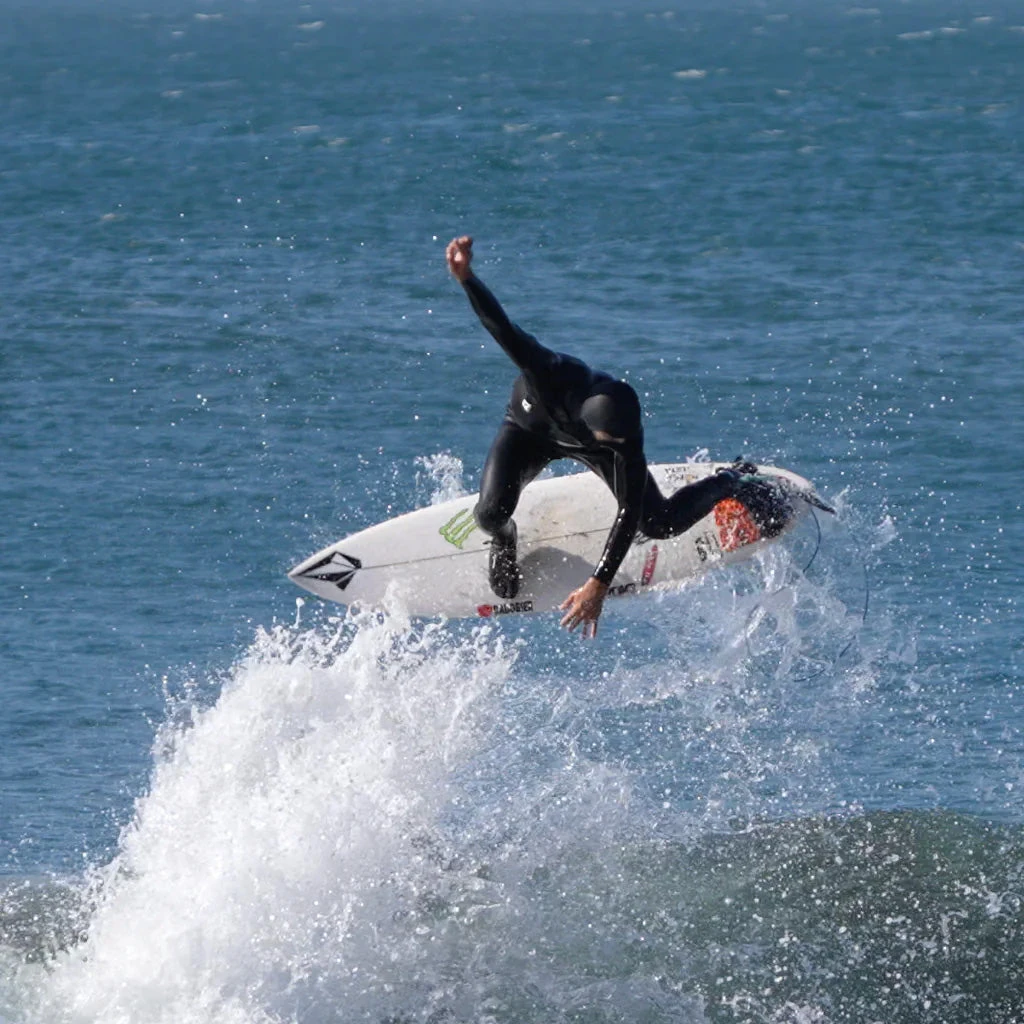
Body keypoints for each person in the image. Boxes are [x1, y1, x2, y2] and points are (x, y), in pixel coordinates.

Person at [446, 235, 776, 639]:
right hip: (529, 431)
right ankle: (505, 539)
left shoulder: (622, 438)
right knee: (489, 515)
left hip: (584, 442)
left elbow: (628, 510)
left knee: (659, 523)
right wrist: (467, 278)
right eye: (610, 440)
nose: (618, 448)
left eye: (620, 443)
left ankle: (731, 479)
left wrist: (599, 582)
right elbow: (501, 327)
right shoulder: (548, 370)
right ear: (590, 421)